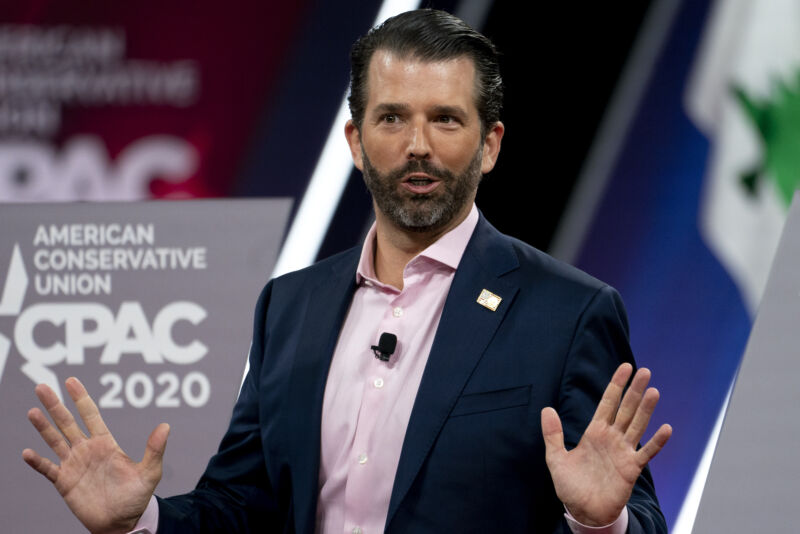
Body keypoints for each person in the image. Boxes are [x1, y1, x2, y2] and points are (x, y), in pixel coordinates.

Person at [23, 9, 671, 534]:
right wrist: (142, 523)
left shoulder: (568, 313)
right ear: (356, 142)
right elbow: (243, 507)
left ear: (491, 143)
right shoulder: (289, 307)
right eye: (392, 118)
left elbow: (637, 516)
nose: (418, 144)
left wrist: (600, 524)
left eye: (445, 118)